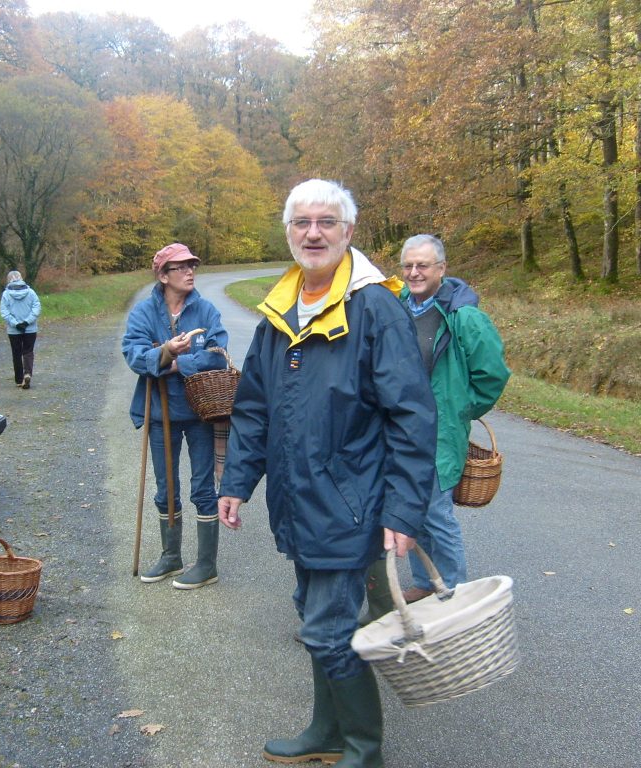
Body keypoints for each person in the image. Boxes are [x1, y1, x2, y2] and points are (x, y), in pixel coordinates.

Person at [218, 180, 437, 767]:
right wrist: (237, 480)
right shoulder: (281, 309)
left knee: (329, 629)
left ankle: (365, 750)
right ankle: (327, 730)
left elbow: (412, 417)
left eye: (326, 222)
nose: (313, 232)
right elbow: (255, 407)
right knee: (313, 617)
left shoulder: (375, 307)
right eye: (301, 222)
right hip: (300, 500)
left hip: (351, 501)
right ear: (288, 231)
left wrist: (404, 510)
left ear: (348, 232)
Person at [382, 233, 511, 606]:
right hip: (399, 428)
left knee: (436, 512)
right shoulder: (397, 306)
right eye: (408, 265)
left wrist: (459, 409)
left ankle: (455, 593)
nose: (414, 272)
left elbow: (493, 374)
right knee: (410, 506)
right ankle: (425, 581)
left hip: (439, 431)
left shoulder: (463, 316)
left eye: (423, 265)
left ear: (442, 268)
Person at [122, 243, 229, 589]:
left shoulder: (206, 310)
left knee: (202, 486)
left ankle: (206, 564)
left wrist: (176, 362)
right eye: (181, 267)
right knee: (166, 487)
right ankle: (171, 557)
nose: (189, 272)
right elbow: (133, 354)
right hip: (159, 412)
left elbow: (218, 353)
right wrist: (165, 350)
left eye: (192, 266)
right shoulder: (144, 312)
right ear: (163, 275)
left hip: (200, 410)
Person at [0, 270, 42, 389]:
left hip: (14, 331)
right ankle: (27, 373)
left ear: (9, 280)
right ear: (21, 278)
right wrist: (27, 322)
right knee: (28, 352)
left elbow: (4, 312)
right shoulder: (31, 292)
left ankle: (19, 379)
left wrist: (16, 324)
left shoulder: (6, 294)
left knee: (16, 353)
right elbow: (36, 308)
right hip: (30, 329)